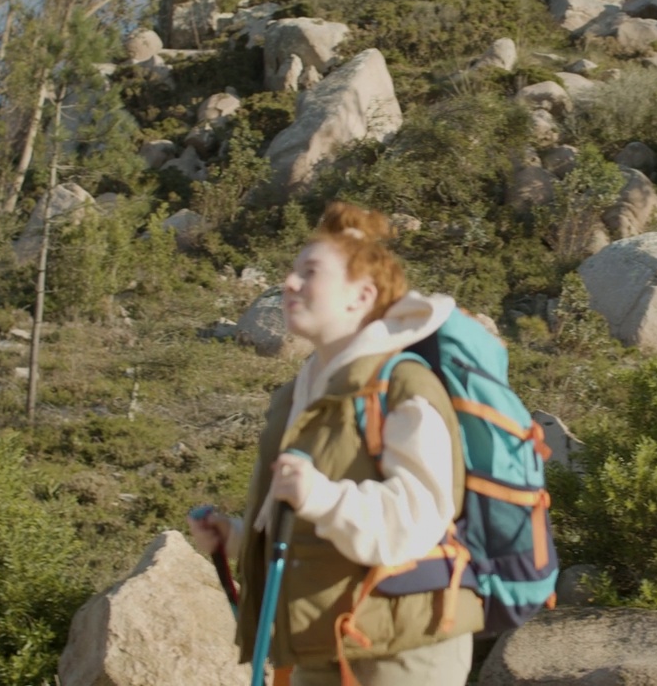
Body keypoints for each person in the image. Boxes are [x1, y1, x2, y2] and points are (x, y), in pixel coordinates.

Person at [188, 200, 482, 686]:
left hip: (401, 652)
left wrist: (321, 496)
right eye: (293, 271)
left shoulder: (402, 386)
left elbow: (420, 516)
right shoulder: (303, 394)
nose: (290, 283)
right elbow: (307, 528)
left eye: (311, 272)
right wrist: (238, 537)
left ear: (360, 296)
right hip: (323, 645)